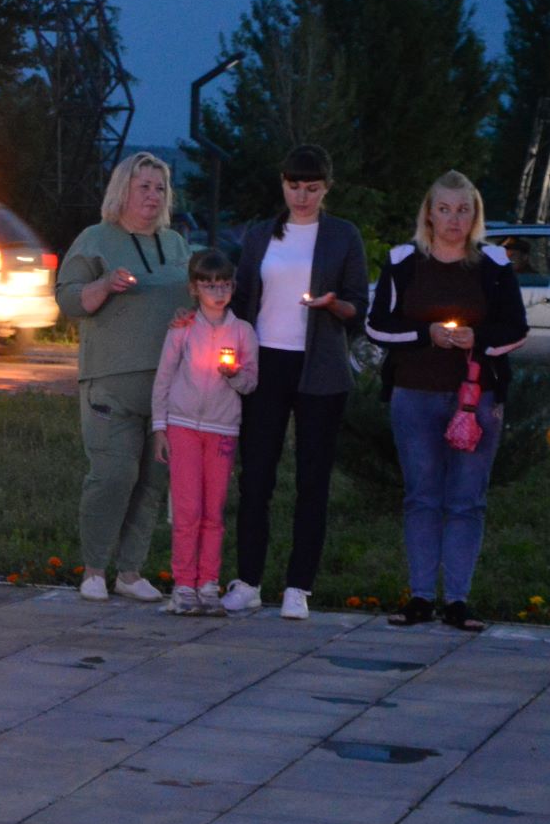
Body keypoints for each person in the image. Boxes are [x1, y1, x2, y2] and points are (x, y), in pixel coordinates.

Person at [368, 171, 528, 633]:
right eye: (445, 209)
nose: (454, 219)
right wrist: (426, 334)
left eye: (463, 210)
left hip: (476, 400)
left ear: (475, 215)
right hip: (414, 396)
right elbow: (378, 326)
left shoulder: (494, 266)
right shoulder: (403, 262)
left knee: (466, 500)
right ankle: (419, 596)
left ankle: (457, 600)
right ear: (429, 214)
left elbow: (515, 329)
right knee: (422, 496)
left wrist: (478, 339)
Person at [223, 145, 368, 620]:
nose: (301, 196)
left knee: (312, 480)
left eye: (311, 188)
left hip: (320, 368)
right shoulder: (261, 235)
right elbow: (241, 295)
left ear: (326, 188)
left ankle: (298, 587)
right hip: (266, 364)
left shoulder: (342, 236)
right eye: (293, 186)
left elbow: (356, 308)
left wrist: (332, 305)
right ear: (282, 184)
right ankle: (248, 581)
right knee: (257, 476)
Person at [55, 152, 192, 602]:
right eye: (143, 186)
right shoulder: (96, 239)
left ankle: (130, 572)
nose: (152, 195)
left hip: (167, 385)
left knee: (153, 480)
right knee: (113, 474)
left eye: (159, 188)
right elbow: (69, 300)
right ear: (123, 191)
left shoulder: (175, 244)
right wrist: (104, 285)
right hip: (110, 380)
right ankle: (94, 568)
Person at [151, 249, 258, 616]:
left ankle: (208, 583)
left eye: (224, 284)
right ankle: (183, 585)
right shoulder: (182, 330)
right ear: (194, 289)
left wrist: (234, 375)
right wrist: (159, 426)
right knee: (187, 509)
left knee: (213, 510)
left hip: (222, 428)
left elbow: (250, 383)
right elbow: (163, 378)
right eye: (209, 285)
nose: (217, 291)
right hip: (182, 427)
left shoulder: (243, 332)